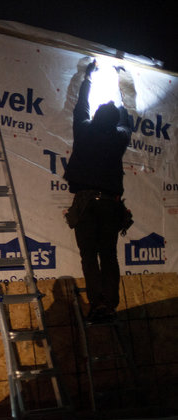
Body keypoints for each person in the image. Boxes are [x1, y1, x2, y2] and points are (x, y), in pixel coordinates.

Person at [63, 59, 131, 323]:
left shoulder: (84, 130)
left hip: (86, 204)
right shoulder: (120, 137)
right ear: (114, 122)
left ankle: (97, 304)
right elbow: (127, 118)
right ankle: (110, 305)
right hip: (110, 206)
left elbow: (81, 106)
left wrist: (88, 79)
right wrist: (120, 86)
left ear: (96, 116)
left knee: (89, 257)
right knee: (109, 256)